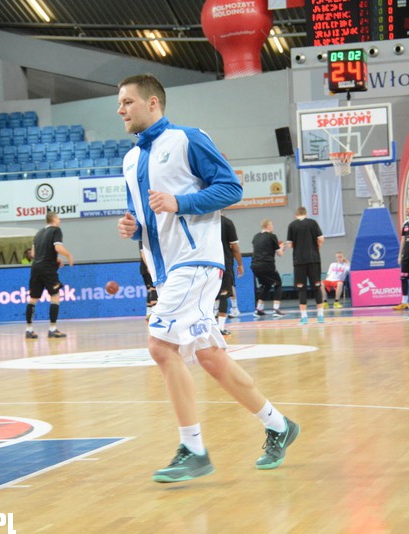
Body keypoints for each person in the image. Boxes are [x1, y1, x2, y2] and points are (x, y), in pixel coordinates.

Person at [116, 73, 299, 483]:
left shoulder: (188, 139)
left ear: (152, 103)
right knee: (211, 358)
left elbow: (231, 189)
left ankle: (194, 449)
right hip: (165, 270)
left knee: (160, 346)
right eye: (120, 103)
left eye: (127, 101)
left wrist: (180, 201)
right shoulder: (130, 160)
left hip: (195, 261)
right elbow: (143, 215)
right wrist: (132, 226)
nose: (120, 109)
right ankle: (279, 425)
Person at [25, 211, 73, 339]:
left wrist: (54, 259)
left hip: (35, 268)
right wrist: (68, 255)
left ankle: (29, 330)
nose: (60, 221)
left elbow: (34, 254)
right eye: (59, 218)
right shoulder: (56, 230)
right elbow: (57, 248)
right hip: (47, 268)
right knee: (55, 295)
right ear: (54, 219)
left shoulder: (38, 233)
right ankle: (52, 329)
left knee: (33, 299)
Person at [286, 206, 325, 324]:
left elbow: (290, 244)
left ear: (296, 215)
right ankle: (320, 316)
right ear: (306, 213)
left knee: (301, 289)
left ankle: (304, 317)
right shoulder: (313, 223)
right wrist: (316, 248)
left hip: (299, 261)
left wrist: (299, 248)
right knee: (317, 287)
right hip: (314, 259)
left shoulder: (292, 225)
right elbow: (321, 239)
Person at [250, 219, 286, 317]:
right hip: (266, 264)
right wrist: (282, 248)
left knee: (266, 285)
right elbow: (279, 254)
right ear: (268, 226)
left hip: (255, 265)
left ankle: (259, 309)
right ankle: (276, 309)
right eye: (272, 225)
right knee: (278, 283)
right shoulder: (272, 236)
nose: (272, 227)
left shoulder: (256, 237)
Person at [216, 215, 243, 336]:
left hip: (206, 265)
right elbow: (235, 248)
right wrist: (240, 264)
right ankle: (220, 327)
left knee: (207, 297)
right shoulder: (227, 223)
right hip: (223, 264)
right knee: (224, 295)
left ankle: (207, 327)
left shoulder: (201, 220)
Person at [138, 240, 157, 320]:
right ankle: (155, 314)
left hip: (144, 268)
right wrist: (149, 266)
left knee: (150, 290)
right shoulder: (144, 238)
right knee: (154, 289)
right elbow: (143, 253)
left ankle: (149, 313)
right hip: (148, 267)